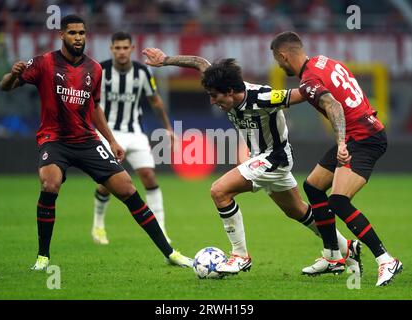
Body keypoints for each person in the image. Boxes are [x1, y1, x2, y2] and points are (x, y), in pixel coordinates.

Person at [142, 47, 361, 275]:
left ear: (229, 91)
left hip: (274, 159)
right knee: (297, 210)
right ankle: (346, 247)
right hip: (262, 158)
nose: (213, 101)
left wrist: (329, 96)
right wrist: (165, 60)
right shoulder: (221, 85)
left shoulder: (264, 97)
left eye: (215, 96)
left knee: (219, 191)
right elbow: (199, 61)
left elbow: (308, 94)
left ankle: (240, 256)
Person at [0, 15, 192, 271]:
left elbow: (95, 107)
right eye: (72, 33)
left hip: (87, 140)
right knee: (50, 183)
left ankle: (170, 253)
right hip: (54, 139)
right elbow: (5, 87)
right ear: (62, 36)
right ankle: (43, 257)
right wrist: (13, 75)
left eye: (82, 33)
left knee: (127, 190)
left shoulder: (94, 69)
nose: (78, 37)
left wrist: (110, 140)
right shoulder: (44, 63)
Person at [270, 31, 402, 286]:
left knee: (339, 202)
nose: (278, 65)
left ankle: (386, 259)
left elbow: (334, 106)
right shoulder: (324, 62)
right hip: (361, 131)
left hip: (363, 138)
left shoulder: (309, 80)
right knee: (313, 186)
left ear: (283, 56)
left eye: (277, 60)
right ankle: (333, 256)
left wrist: (341, 142)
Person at [91, 31, 173, 245]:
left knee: (149, 176)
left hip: (135, 132)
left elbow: (155, 101)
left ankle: (162, 229)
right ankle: (98, 225)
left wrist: (168, 128)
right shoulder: (100, 70)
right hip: (108, 133)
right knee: (108, 183)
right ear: (111, 49)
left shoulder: (143, 72)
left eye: (125, 47)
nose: (121, 51)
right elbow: (91, 103)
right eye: (117, 47)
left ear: (132, 48)